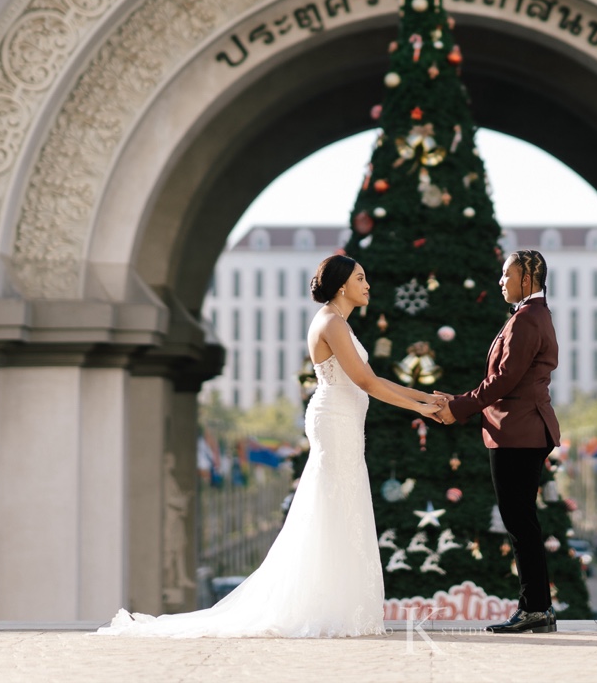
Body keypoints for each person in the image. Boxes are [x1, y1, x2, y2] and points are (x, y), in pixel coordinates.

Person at [98, 254, 442, 637]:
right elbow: (366, 381)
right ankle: (332, 606)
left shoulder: (338, 323)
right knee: (337, 503)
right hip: (336, 422)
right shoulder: (331, 323)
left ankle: (338, 604)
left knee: (338, 503)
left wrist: (427, 399)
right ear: (342, 285)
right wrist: (422, 408)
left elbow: (373, 378)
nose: (368, 285)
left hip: (343, 421)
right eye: (361, 278)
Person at [434, 249, 562, 634]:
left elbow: (505, 380)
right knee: (522, 521)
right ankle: (538, 607)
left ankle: (535, 609)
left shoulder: (527, 319)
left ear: (528, 278)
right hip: (521, 429)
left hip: (518, 432)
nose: (501, 281)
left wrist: (458, 407)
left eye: (507, 274)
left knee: (520, 522)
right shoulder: (532, 315)